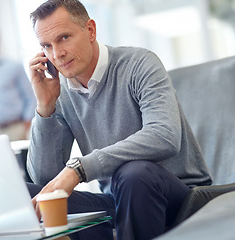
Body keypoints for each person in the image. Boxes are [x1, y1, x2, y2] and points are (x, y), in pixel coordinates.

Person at [27, 1, 212, 239]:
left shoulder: (139, 63)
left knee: (134, 174)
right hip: (119, 201)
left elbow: (164, 135)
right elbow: (45, 180)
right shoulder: (60, 90)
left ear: (91, 30)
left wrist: (80, 169)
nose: (57, 54)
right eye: (47, 46)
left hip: (180, 197)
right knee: (28, 195)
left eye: (64, 38)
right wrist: (45, 109)